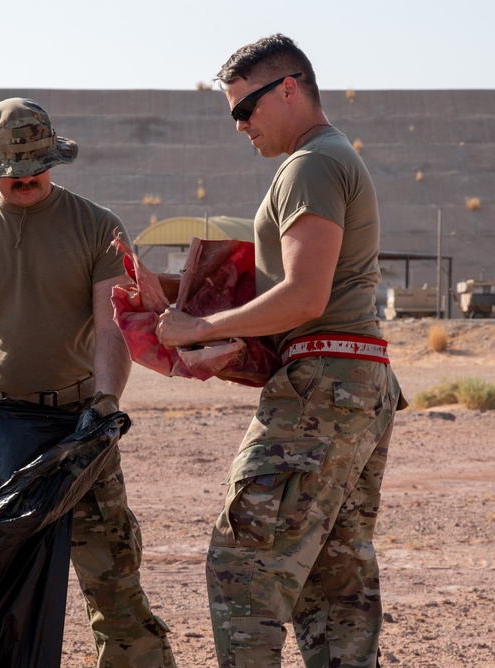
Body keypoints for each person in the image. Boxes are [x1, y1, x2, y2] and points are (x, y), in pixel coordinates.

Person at [156, 34, 405, 668]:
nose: (239, 125)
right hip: (355, 378)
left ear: (288, 87)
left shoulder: (310, 166)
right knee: (333, 582)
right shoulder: (329, 158)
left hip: (323, 383)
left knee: (245, 564)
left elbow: (303, 297)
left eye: (246, 108)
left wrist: (201, 327)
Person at [0, 97, 175, 667]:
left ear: (53, 159)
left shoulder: (97, 228)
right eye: (11, 173)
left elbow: (112, 327)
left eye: (34, 169)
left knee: (114, 587)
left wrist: (104, 406)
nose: (24, 180)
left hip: (79, 435)